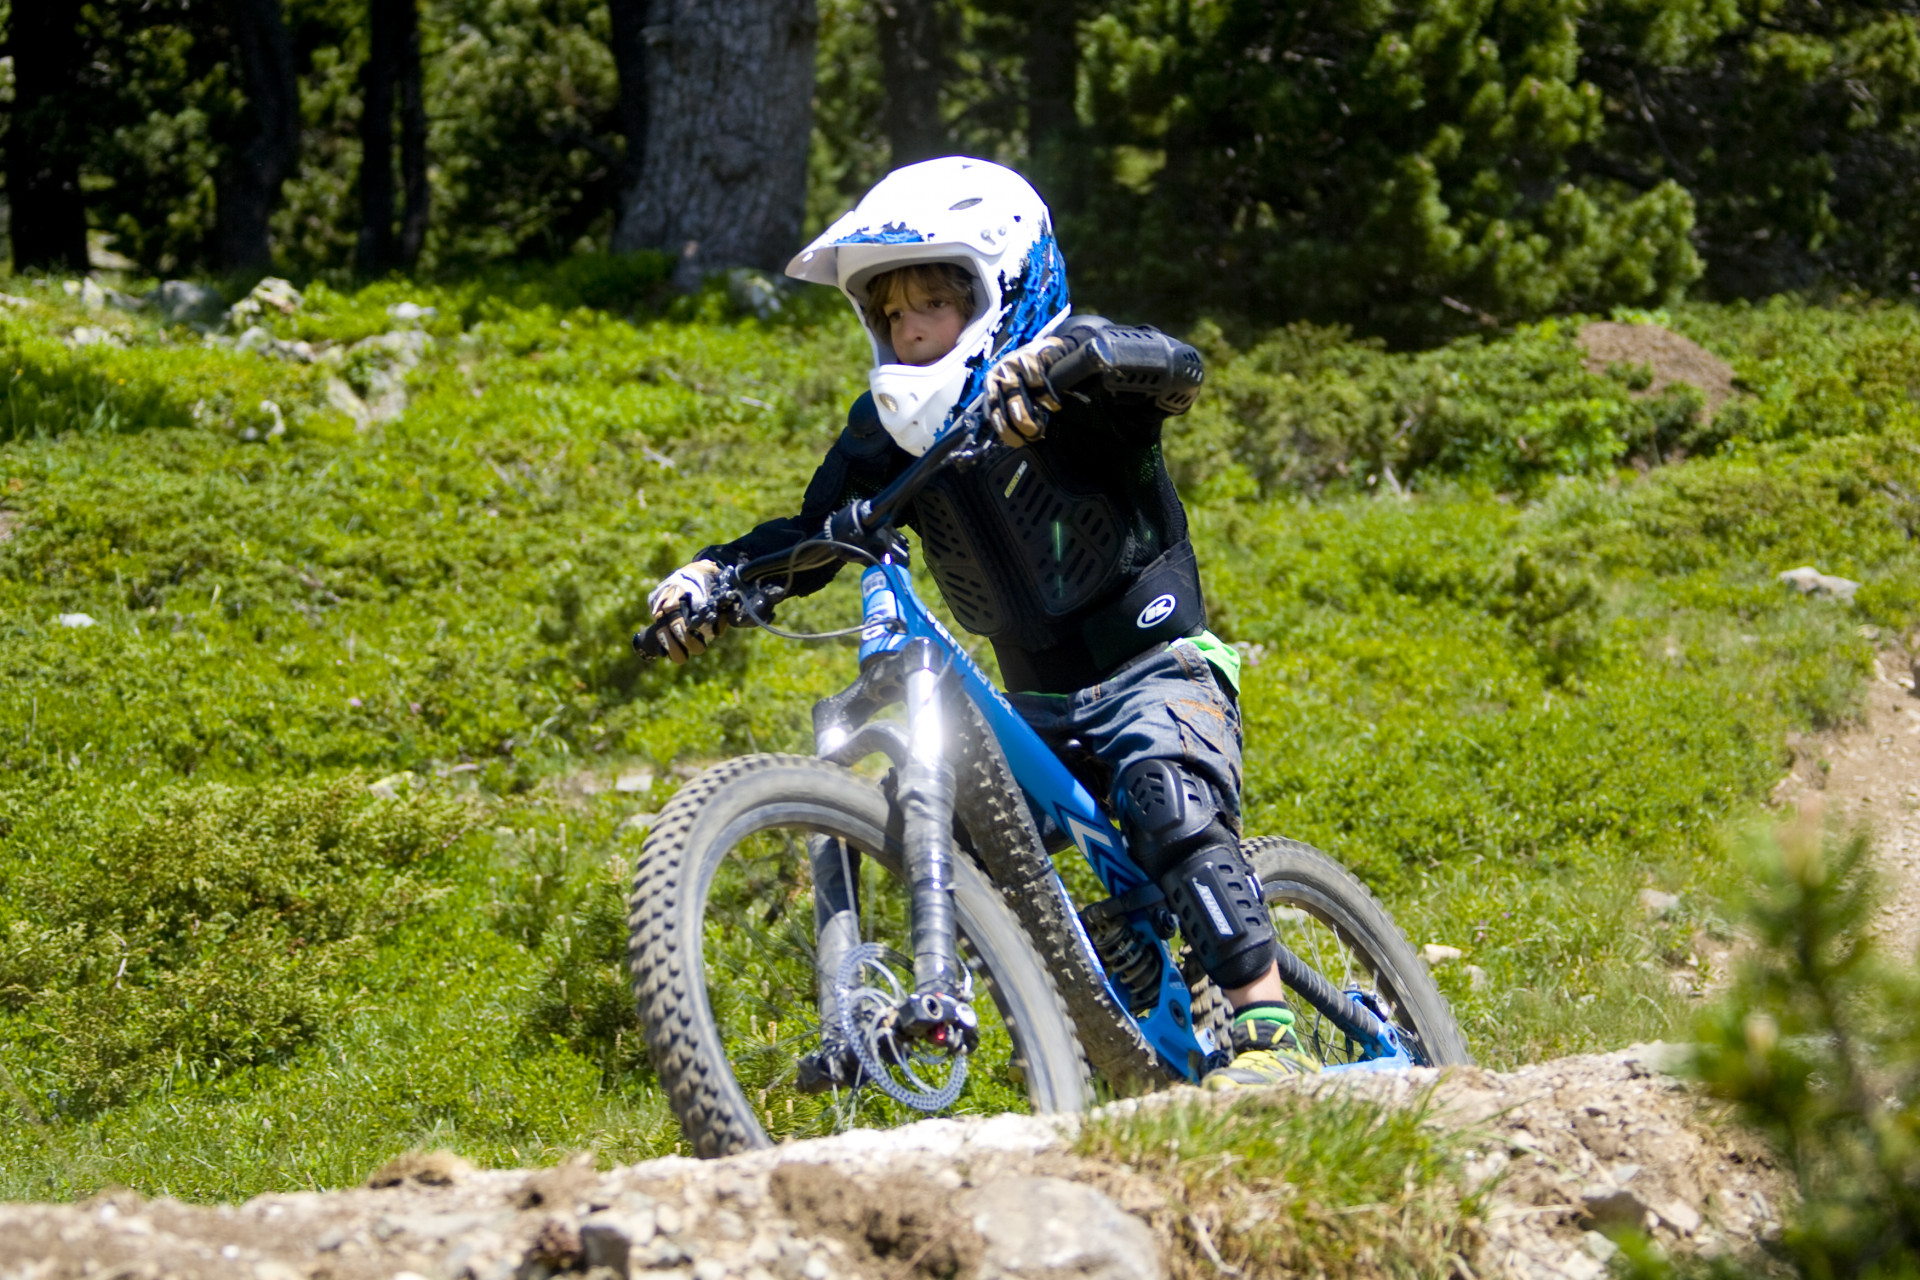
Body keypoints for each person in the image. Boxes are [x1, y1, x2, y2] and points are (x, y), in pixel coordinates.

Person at [646, 157, 1317, 1088]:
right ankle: (1048, 1004)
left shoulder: (1077, 368)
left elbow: (1176, 369)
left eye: (934, 299)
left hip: (1159, 665)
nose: (909, 325)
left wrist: (1070, 361)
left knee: (1162, 793)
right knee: (964, 835)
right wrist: (716, 576)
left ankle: (1269, 1030)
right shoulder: (883, 435)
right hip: (1037, 699)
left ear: (1004, 283)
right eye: (887, 309)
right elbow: (812, 534)